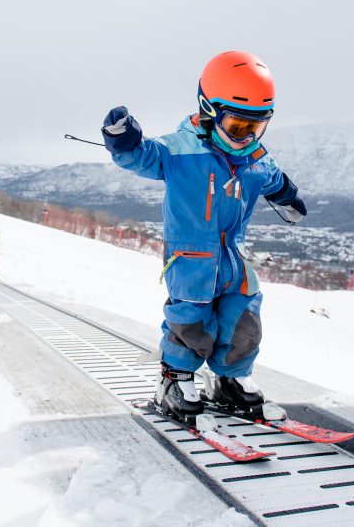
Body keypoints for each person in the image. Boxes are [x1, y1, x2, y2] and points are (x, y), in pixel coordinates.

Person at [101, 51, 307, 423]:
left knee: (244, 318)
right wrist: (124, 141)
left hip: (234, 258)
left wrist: (287, 195)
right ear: (208, 110)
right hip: (191, 259)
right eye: (236, 126)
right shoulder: (181, 150)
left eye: (255, 128)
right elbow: (143, 157)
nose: (245, 137)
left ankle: (230, 379)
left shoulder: (256, 157)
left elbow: (272, 177)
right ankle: (175, 379)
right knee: (190, 320)